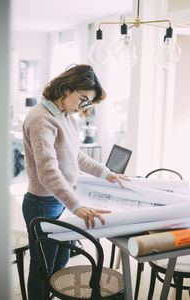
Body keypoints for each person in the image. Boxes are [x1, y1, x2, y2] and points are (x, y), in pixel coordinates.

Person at [22, 64, 128, 300]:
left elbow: (75, 155)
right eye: (84, 100)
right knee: (42, 269)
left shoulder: (65, 116)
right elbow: (47, 172)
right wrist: (76, 205)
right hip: (43, 203)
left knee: (60, 263)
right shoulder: (41, 119)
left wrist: (105, 173)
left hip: (61, 200)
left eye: (88, 103)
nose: (84, 107)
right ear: (67, 89)